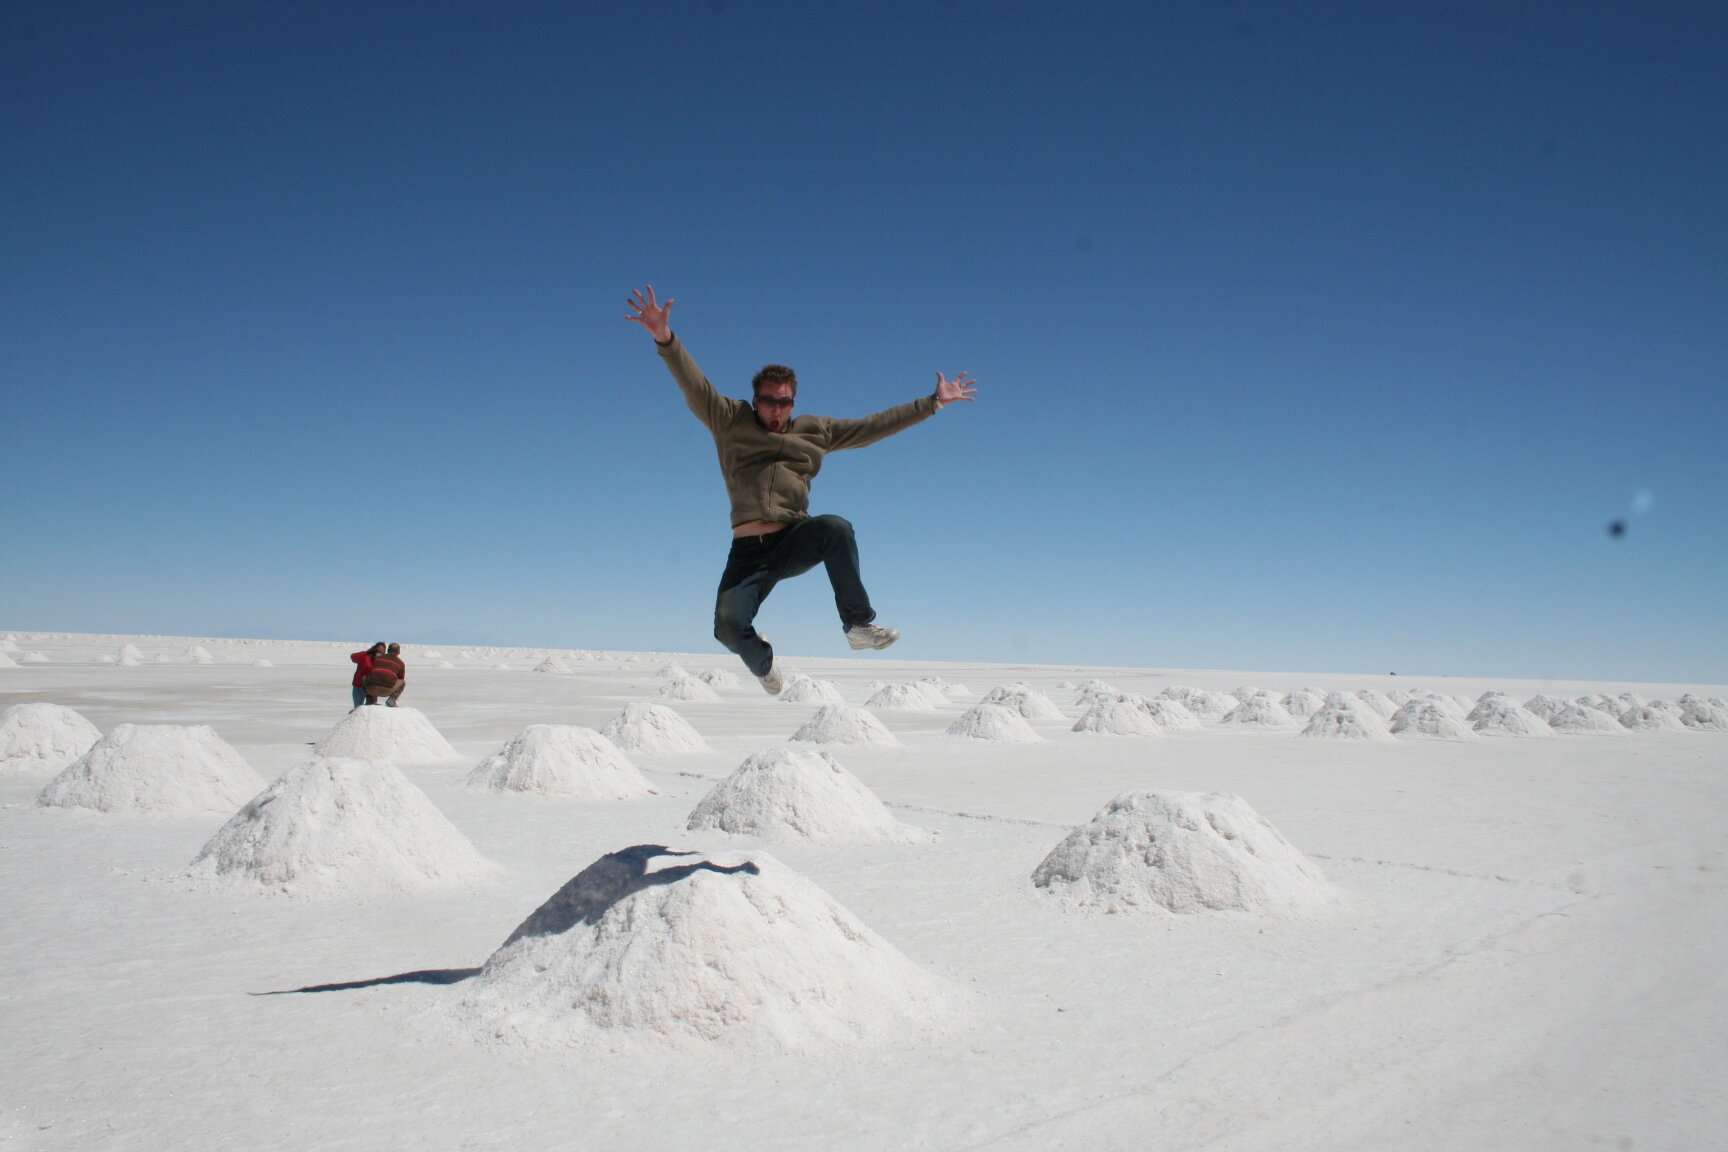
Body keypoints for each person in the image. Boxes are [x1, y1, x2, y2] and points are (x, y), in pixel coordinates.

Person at [626, 285, 977, 694]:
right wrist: (664, 338)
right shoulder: (728, 419)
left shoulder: (816, 431)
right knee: (728, 628)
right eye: (768, 401)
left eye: (784, 402)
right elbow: (693, 383)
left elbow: (871, 427)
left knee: (835, 528)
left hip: (794, 538)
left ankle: (858, 624)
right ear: (754, 400)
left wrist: (931, 403)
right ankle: (763, 662)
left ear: (794, 402)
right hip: (747, 551)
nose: (776, 409)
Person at [364, 643, 407, 707]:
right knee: (402, 682)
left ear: (388, 650)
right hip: (387, 691)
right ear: (398, 652)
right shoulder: (400, 663)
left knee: (364, 678)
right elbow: (401, 678)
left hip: (372, 689)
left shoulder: (378, 658)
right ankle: (392, 700)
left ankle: (370, 699)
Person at [349, 642, 385, 709]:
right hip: (359, 685)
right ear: (374, 649)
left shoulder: (382, 661)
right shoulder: (364, 655)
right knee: (357, 708)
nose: (378, 653)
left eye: (381, 652)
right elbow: (353, 657)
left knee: (371, 708)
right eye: (377, 651)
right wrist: (367, 653)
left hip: (372, 687)